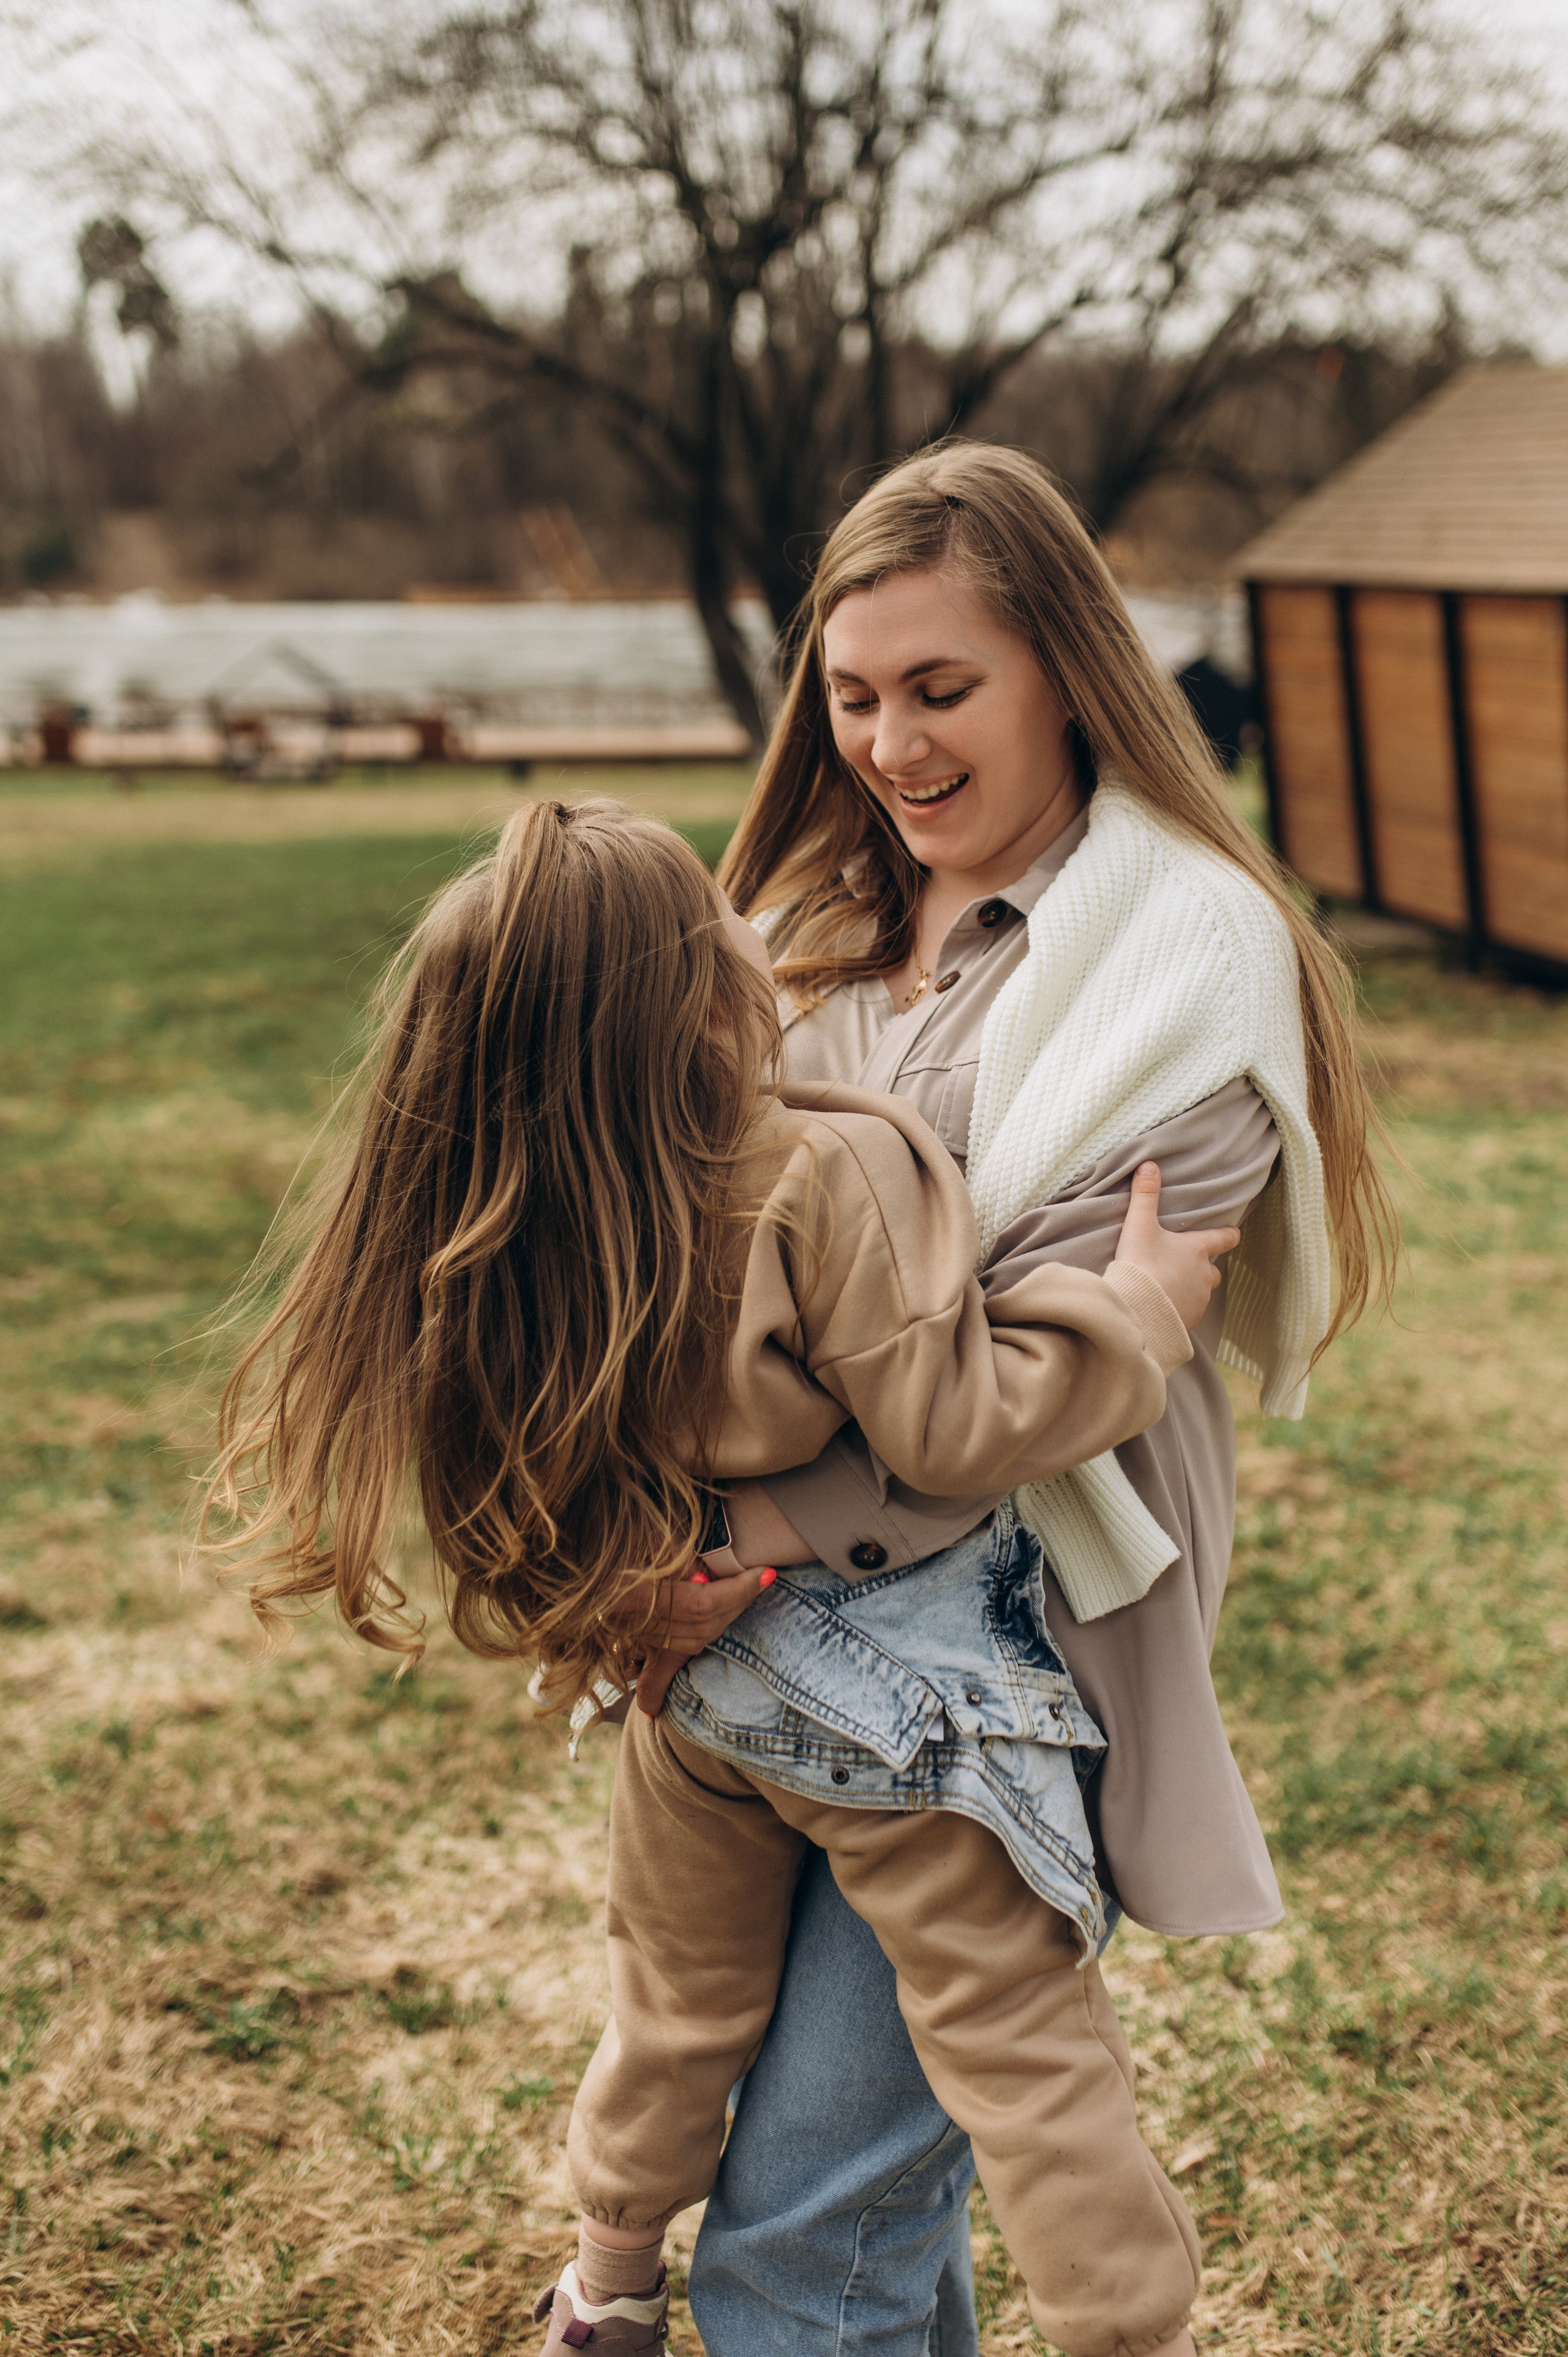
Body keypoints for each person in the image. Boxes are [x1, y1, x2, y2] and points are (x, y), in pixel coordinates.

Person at [200, 798, 1238, 2357]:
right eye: (720, 916)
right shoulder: (812, 1167)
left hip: (691, 1699)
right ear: (693, 993)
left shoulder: (543, 1213)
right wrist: (1136, 1317)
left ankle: (608, 2278)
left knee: (675, 2007)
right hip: (895, 1692)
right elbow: (956, 1429)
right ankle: (1127, 2330)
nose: (757, 923)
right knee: (1014, 2042)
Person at [649, 441, 1394, 2357]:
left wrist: (728, 1530)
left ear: (1068, 665)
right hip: (775, 1660)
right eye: (856, 694)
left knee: (803, 2239)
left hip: (1009, 1670)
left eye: (943, 688)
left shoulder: (1188, 975)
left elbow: (986, 1417)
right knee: (842, 2202)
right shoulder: (798, 935)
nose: (891, 743)